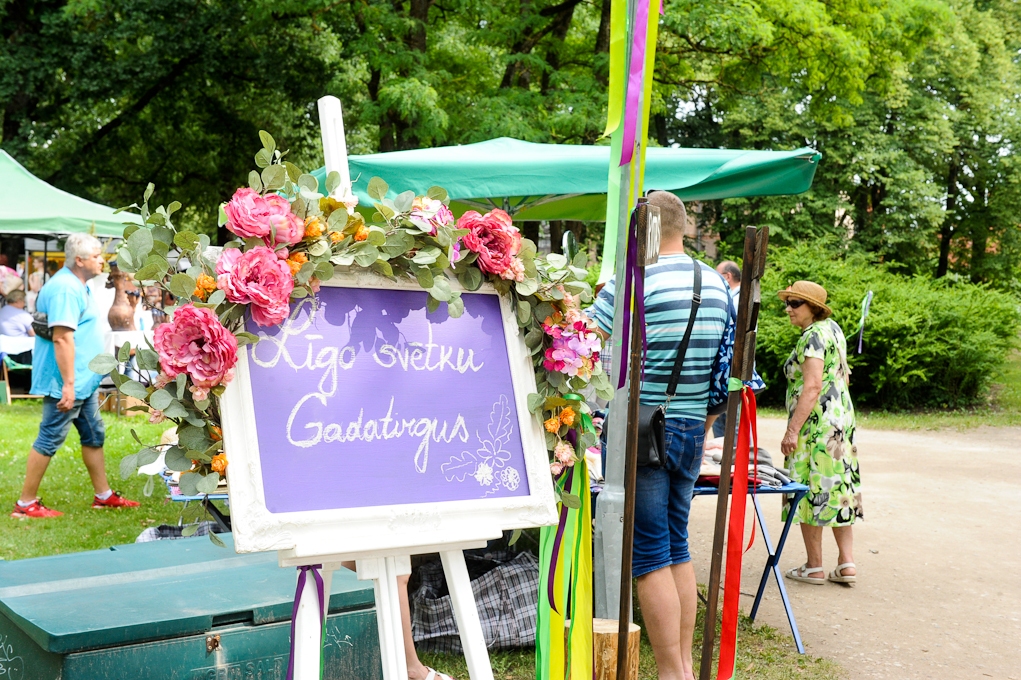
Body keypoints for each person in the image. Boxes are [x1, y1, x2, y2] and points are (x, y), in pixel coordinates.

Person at [591, 191, 734, 680]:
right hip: (695, 427)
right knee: (678, 543)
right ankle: (684, 668)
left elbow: (581, 340)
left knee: (650, 551)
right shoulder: (715, 283)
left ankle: (672, 673)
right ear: (685, 225)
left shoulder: (633, 281)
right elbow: (725, 369)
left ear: (643, 232)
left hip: (643, 427)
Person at [11, 233, 139, 519]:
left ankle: (103, 496)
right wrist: (68, 385)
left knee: (94, 434)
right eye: (96, 256)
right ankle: (25, 504)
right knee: (50, 438)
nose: (101, 260)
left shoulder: (78, 284)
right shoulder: (66, 289)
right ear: (79, 260)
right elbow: (62, 338)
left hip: (83, 380)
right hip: (67, 382)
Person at [778, 281, 861, 586]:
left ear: (813, 308)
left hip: (816, 427)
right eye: (788, 302)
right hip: (840, 423)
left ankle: (814, 565)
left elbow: (812, 386)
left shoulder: (812, 337)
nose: (789, 308)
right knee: (839, 489)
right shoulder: (833, 330)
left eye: (795, 303)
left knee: (809, 489)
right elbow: (845, 377)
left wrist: (792, 431)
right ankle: (847, 562)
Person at [712, 260, 764, 438]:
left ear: (727, 276)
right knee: (725, 423)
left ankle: (734, 464)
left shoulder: (738, 299)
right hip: (731, 371)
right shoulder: (743, 296)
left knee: (732, 425)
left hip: (732, 371)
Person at [0, 289, 35, 367]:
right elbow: (34, 334)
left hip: (4, 354)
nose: (24, 304)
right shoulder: (23, 315)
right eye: (24, 301)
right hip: (23, 354)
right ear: (18, 300)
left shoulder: (1, 312)